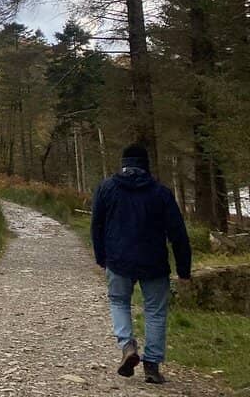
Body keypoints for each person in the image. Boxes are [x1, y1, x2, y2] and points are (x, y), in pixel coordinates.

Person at [90, 143, 192, 384]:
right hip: (154, 262)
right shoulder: (161, 193)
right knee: (155, 312)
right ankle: (152, 366)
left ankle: (127, 346)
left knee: (118, 301)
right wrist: (183, 269)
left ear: (123, 164)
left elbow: (97, 225)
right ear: (146, 165)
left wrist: (101, 257)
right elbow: (178, 233)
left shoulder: (106, 188)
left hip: (118, 259)